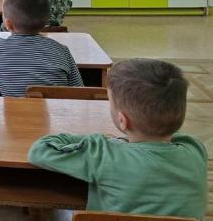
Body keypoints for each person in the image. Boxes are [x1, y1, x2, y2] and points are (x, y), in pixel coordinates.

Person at [29, 59, 207, 220]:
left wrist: (95, 140)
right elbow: (174, 135)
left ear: (123, 120)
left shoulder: (102, 152)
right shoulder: (195, 150)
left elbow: (39, 150)